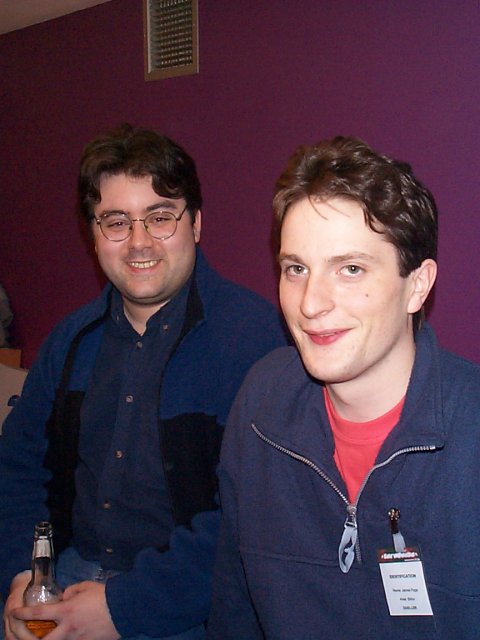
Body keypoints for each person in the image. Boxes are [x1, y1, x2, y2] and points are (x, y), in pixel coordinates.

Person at [0, 124, 287, 640]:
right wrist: (24, 575)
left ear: (195, 223)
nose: (138, 242)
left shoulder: (256, 342)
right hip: (64, 579)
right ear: (93, 235)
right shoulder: (70, 342)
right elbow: (17, 469)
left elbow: (254, 517)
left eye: (159, 217)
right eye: (116, 222)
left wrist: (121, 607)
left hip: (189, 606)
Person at [208, 136, 480, 639]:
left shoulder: (470, 434)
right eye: (296, 269)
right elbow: (234, 607)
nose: (311, 303)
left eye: (350, 269)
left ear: (417, 286)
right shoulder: (261, 403)